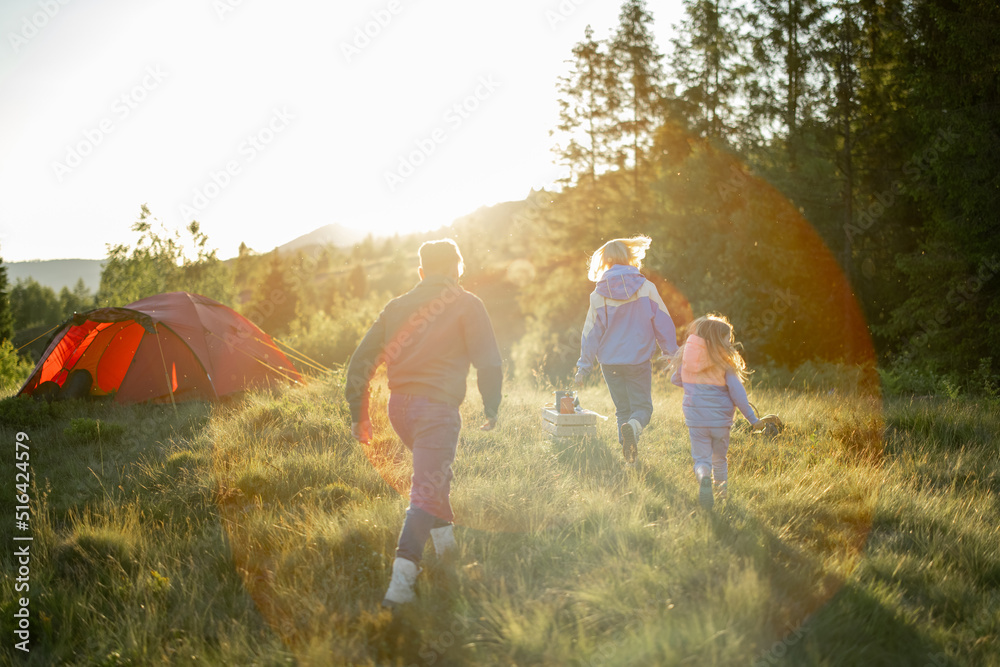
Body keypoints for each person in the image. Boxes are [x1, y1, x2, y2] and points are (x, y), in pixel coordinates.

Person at [345, 238, 502, 606]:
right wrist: (492, 406)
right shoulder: (467, 302)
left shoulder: (397, 306)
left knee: (435, 477)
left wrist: (360, 414)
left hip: (399, 410)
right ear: (456, 269)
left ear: (421, 272)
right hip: (436, 410)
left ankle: (448, 554)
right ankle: (401, 584)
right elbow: (489, 362)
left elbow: (359, 363)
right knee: (426, 490)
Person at [574, 235, 678, 464]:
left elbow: (590, 333)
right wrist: (671, 353)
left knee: (622, 410)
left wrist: (583, 366)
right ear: (629, 257)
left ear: (606, 261)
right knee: (642, 409)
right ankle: (633, 428)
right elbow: (663, 322)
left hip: (609, 362)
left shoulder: (598, 294)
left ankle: (630, 459)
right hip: (637, 360)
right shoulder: (646, 288)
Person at [669, 314, 760, 509]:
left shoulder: (688, 357)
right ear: (719, 339)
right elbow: (738, 394)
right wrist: (753, 420)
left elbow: (675, 380)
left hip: (696, 420)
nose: (729, 342)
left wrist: (691, 380)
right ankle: (722, 497)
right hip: (720, 422)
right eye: (727, 338)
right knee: (720, 460)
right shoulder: (724, 360)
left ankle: (703, 478)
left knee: (701, 460)